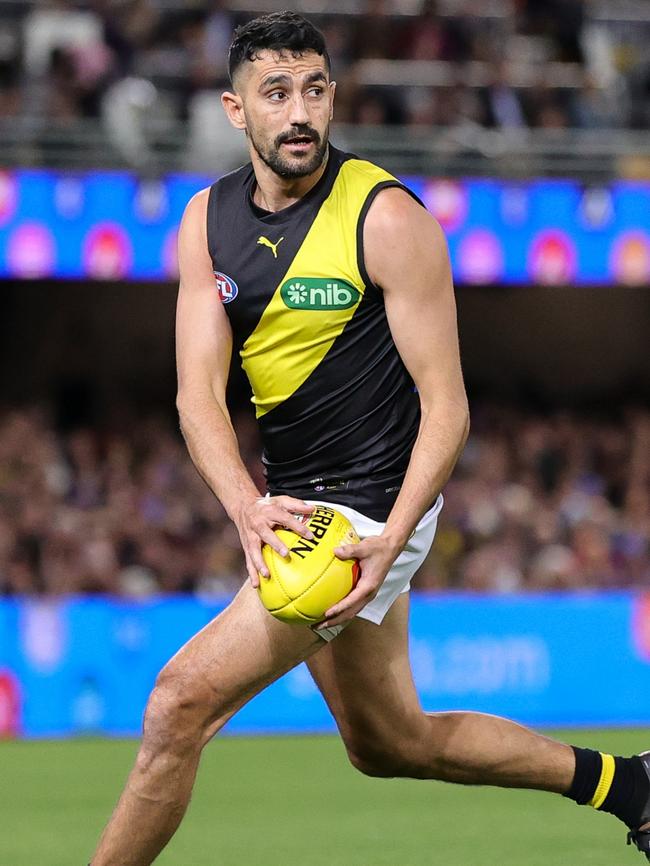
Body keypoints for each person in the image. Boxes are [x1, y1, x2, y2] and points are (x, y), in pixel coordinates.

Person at [89, 12, 650, 865]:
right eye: (276, 93)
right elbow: (196, 398)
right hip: (296, 503)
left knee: (177, 705)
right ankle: (629, 785)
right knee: (390, 743)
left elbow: (448, 409)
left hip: (364, 515)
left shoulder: (387, 219)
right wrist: (244, 506)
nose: (301, 111)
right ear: (237, 111)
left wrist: (392, 540)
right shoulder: (205, 222)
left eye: (315, 88)